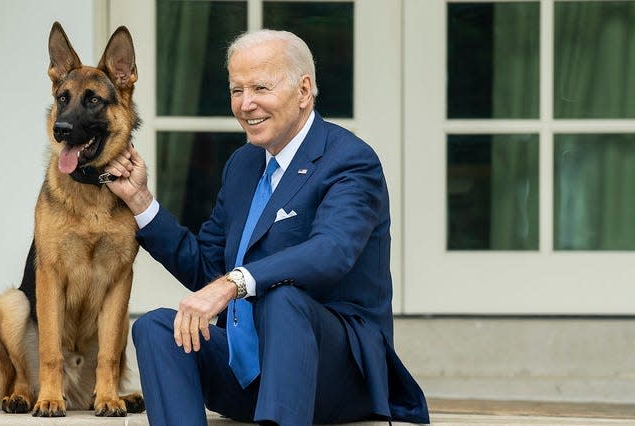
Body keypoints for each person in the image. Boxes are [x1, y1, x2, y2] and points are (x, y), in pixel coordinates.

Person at [105, 29, 430, 426]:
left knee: (282, 298)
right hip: (253, 374)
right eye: (236, 90)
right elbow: (207, 268)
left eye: (260, 87)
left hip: (336, 376)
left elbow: (331, 252)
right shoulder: (243, 164)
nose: (246, 104)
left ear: (304, 90)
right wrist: (141, 202)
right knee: (156, 326)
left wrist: (233, 283)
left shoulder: (350, 161)